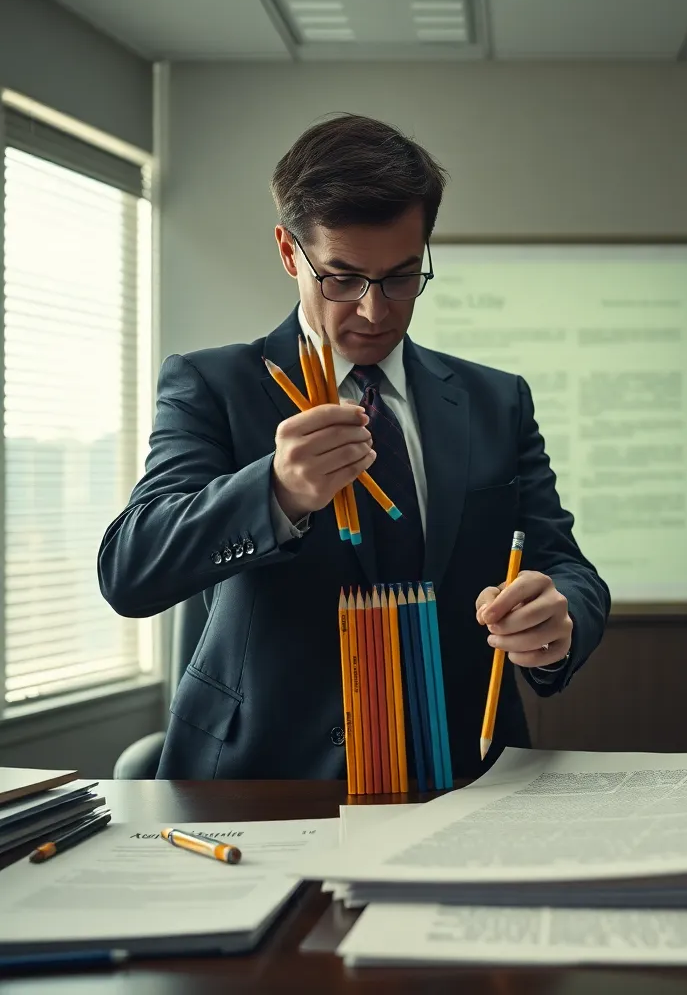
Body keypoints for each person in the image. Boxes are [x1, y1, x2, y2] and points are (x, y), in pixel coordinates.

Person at [98, 113, 610, 781]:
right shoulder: (213, 386)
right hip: (264, 780)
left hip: (464, 770)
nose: (375, 312)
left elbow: (566, 566)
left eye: (401, 277)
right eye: (342, 278)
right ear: (289, 253)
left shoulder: (496, 400)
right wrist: (276, 492)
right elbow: (130, 571)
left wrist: (558, 617)